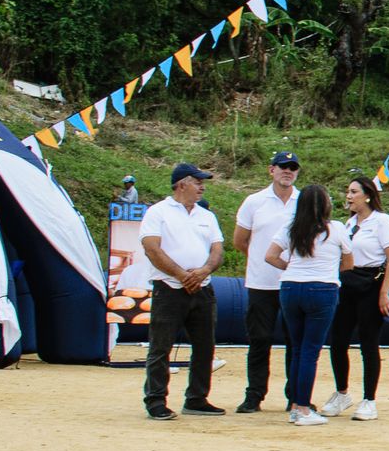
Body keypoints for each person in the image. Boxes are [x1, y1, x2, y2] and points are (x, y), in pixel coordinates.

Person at [137, 163, 226, 420]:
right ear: (182, 184)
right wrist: (181, 274)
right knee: (160, 346)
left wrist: (203, 271)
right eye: (198, 182)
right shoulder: (158, 212)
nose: (202, 186)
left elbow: (218, 249)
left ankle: (197, 398)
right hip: (169, 287)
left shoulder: (206, 215)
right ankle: (155, 400)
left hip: (202, 287)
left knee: (205, 346)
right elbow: (152, 249)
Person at [264, 185, 347, 427]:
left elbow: (270, 255)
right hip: (322, 289)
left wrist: (289, 269)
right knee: (311, 350)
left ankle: (295, 404)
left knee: (298, 349)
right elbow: (349, 261)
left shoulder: (291, 228)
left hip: (290, 288)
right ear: (325, 205)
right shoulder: (336, 229)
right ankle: (302, 407)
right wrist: (330, 270)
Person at [321, 177, 389, 422]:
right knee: (338, 340)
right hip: (347, 283)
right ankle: (342, 392)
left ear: (367, 195)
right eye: (348, 191)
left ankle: (369, 400)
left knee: (368, 342)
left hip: (371, 283)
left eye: (353, 191)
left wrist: (384, 292)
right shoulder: (349, 223)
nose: (349, 196)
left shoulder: (382, 221)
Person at [230, 150, 301, 414]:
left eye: (293, 167)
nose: (288, 171)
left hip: (295, 281)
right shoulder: (254, 201)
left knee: (295, 341)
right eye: (283, 166)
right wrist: (262, 260)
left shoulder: (303, 201)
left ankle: (295, 395)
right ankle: (254, 395)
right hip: (261, 282)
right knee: (259, 339)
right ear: (271, 170)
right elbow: (240, 240)